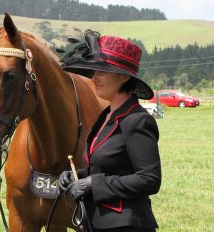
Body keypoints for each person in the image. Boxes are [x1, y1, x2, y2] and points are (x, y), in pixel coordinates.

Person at [59, 30, 162, 232]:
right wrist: (77, 177)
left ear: (123, 77)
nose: (95, 78)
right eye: (94, 72)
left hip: (127, 225)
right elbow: (106, 169)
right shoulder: (104, 117)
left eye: (102, 72)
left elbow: (149, 179)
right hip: (96, 223)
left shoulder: (138, 120)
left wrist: (93, 184)